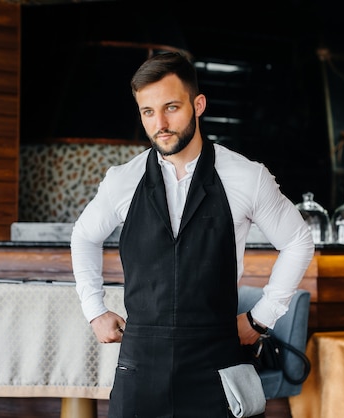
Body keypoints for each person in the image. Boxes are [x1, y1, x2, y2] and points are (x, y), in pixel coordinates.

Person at [70, 51, 314, 417]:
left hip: (217, 365)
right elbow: (84, 236)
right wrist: (94, 310)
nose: (160, 123)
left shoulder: (246, 176)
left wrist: (261, 317)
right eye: (148, 112)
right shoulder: (122, 180)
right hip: (140, 367)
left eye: (171, 107)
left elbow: (298, 241)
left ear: (198, 105)